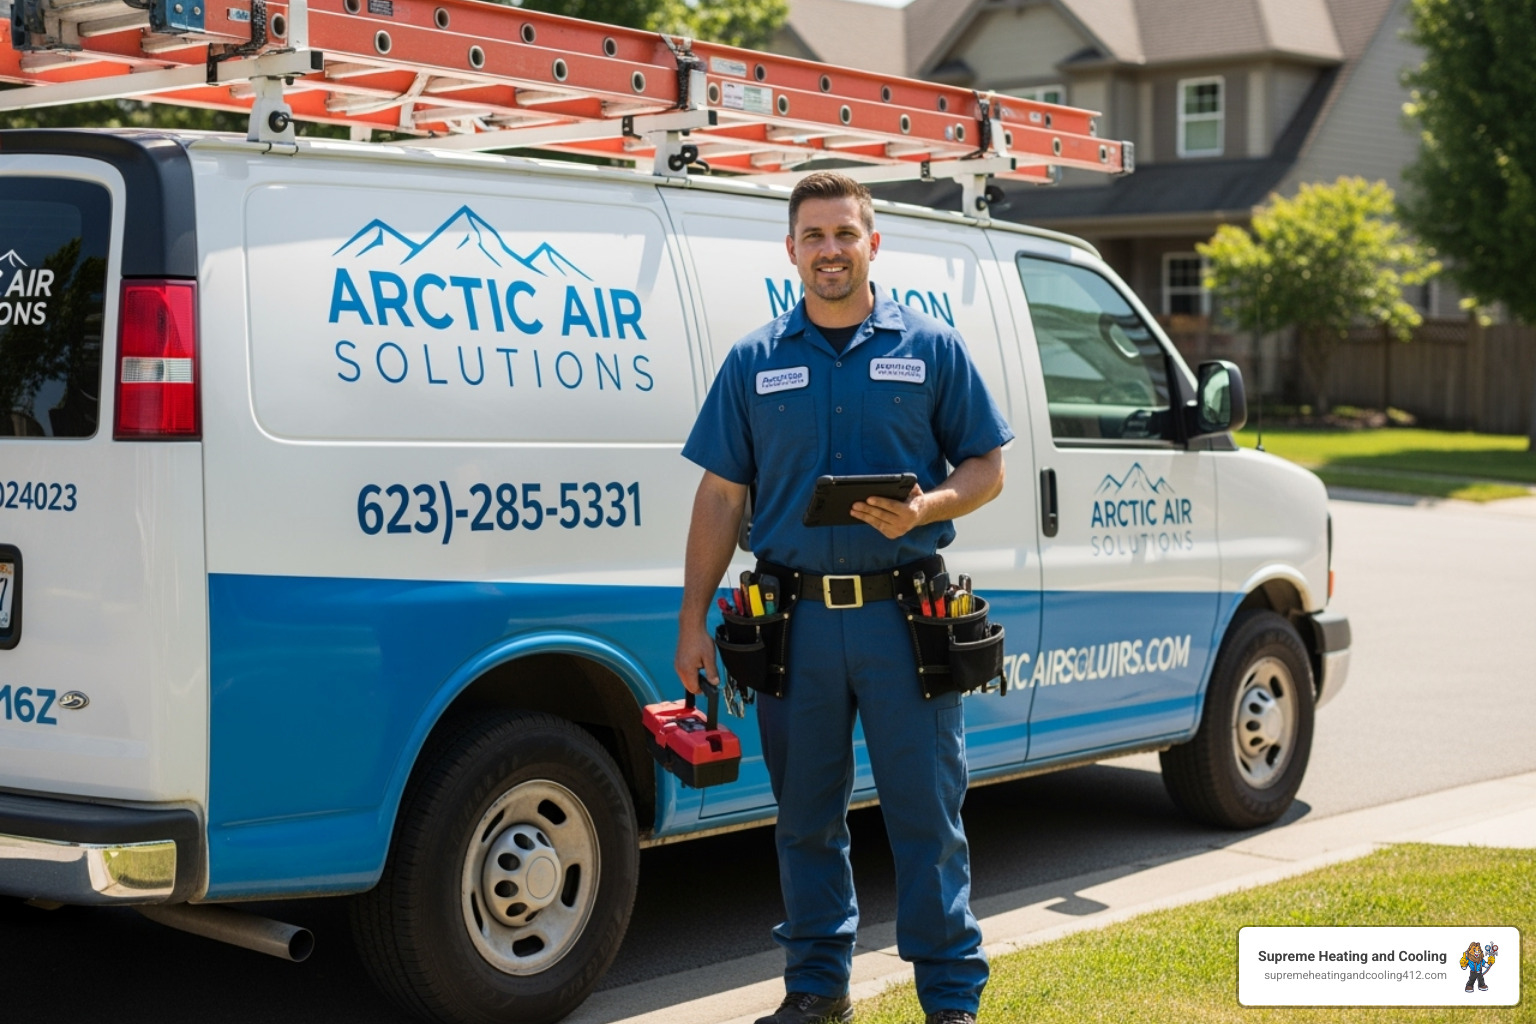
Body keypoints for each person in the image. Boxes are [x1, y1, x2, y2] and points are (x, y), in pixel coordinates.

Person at [673, 172, 1012, 1024]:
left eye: (845, 235)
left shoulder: (931, 347)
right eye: (814, 236)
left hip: (907, 619)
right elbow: (720, 496)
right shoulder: (754, 361)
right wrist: (691, 621)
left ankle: (949, 1000)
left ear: (873, 244)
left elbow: (987, 467)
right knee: (806, 817)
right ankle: (818, 990)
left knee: (927, 818)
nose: (831, 250)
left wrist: (925, 509)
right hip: (795, 625)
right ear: (790, 250)